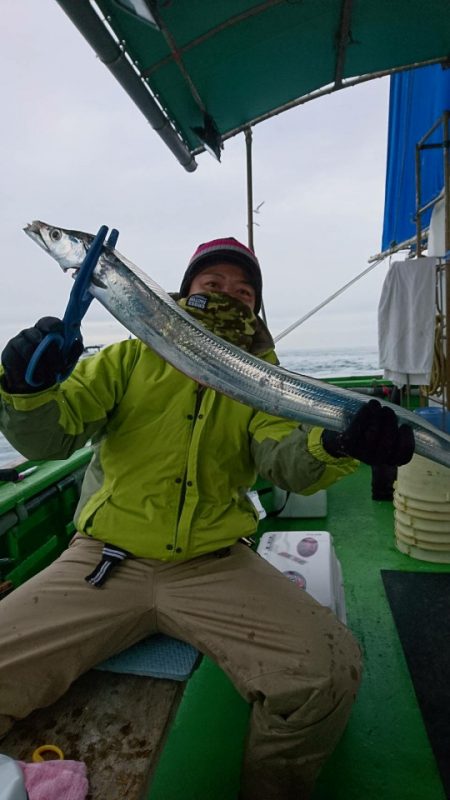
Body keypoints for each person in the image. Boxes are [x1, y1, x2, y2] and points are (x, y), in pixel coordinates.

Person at [0, 237, 414, 799]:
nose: (229, 296)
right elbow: (55, 436)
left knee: (326, 673)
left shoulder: (260, 379)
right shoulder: (128, 357)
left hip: (215, 565)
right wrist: (26, 390)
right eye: (212, 285)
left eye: (244, 292)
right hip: (103, 560)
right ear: (183, 292)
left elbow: (282, 461)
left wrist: (336, 444)